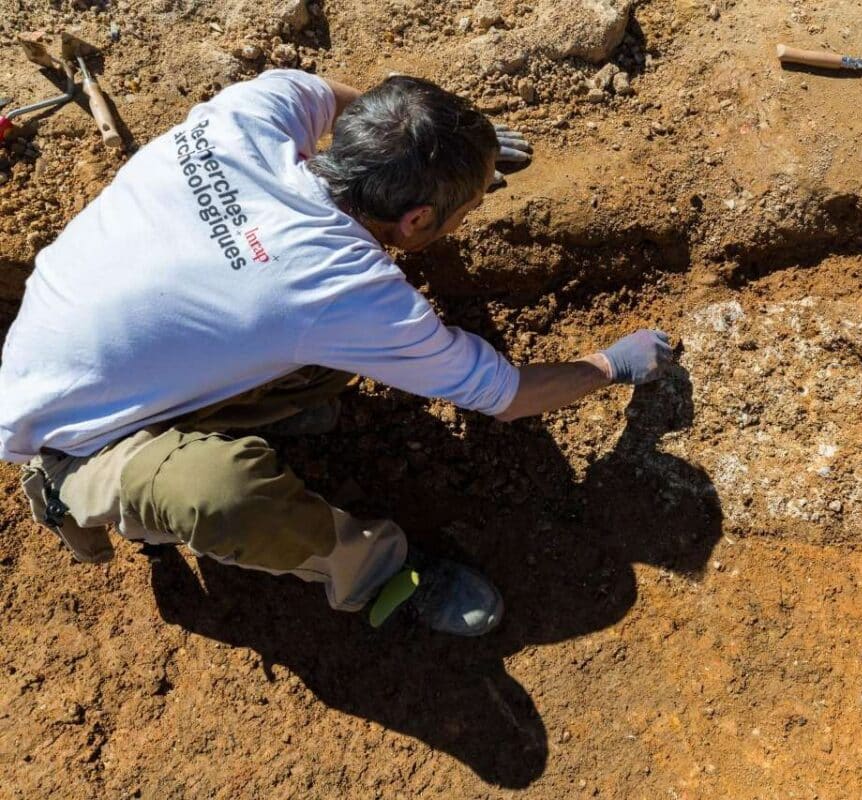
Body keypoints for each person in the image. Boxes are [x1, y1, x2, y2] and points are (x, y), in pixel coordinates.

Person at [0, 70, 674, 636]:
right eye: (459, 214)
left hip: (54, 347)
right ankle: (377, 572)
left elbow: (343, 99)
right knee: (219, 494)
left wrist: (452, 163)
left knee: (317, 348)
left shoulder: (252, 110)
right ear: (416, 220)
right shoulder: (344, 290)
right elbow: (506, 397)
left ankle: (248, 410)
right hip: (73, 440)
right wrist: (610, 364)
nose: (464, 221)